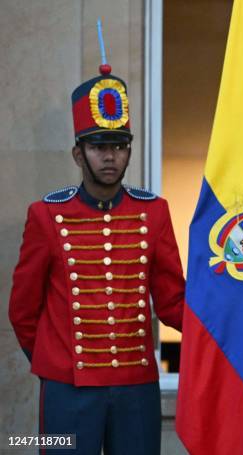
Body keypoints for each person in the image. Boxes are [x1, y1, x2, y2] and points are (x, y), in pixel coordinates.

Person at [8, 60, 185, 454]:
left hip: (136, 387)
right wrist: (56, 363)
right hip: (68, 390)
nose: (110, 157)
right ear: (78, 154)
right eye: (99, 146)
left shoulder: (153, 213)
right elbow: (22, 310)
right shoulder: (46, 215)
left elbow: (173, 302)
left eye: (119, 146)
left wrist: (228, 314)